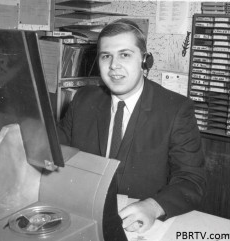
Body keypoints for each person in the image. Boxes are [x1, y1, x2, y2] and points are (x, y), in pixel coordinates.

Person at [57, 18, 206, 240]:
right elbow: (57, 151)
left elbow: (191, 180)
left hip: (140, 227)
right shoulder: (83, 100)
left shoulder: (175, 109)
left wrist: (154, 207)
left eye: (125, 55)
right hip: (86, 217)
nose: (114, 65)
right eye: (106, 56)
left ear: (145, 61)